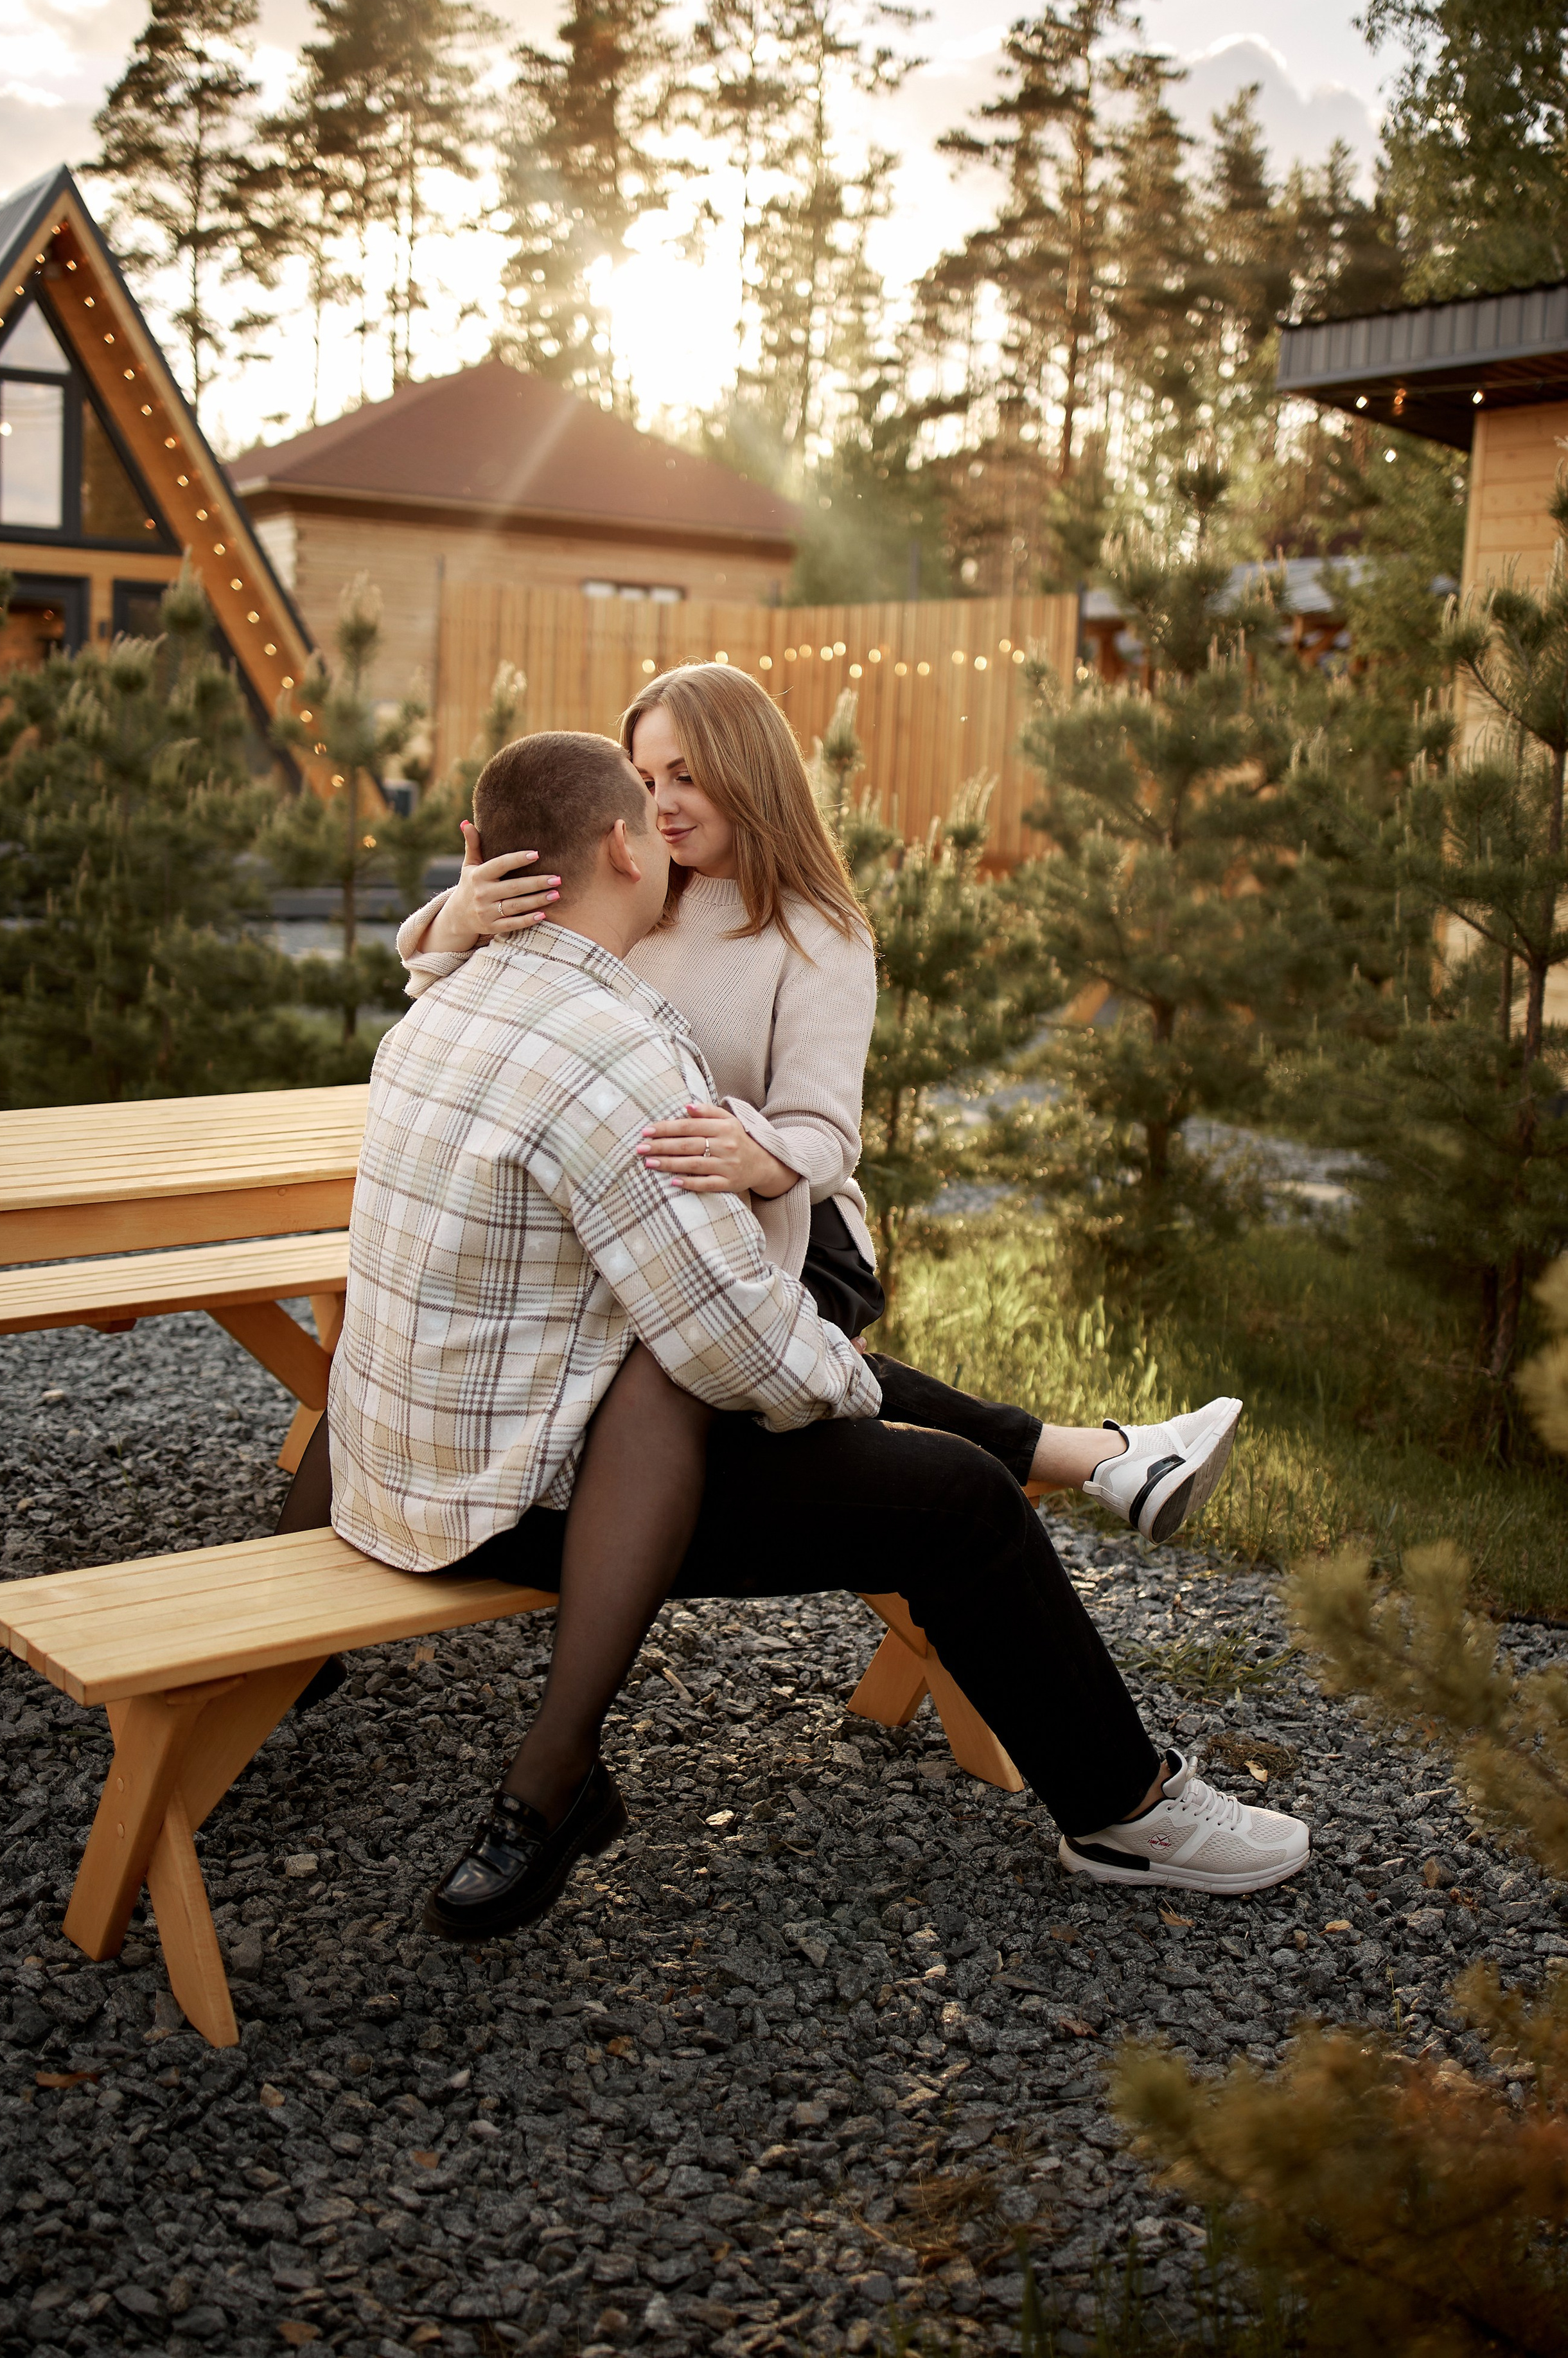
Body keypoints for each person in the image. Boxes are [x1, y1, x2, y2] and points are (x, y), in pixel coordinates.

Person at [311, 725, 1308, 1943]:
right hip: (515, 1507)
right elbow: (739, 1346)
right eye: (651, 791)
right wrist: (856, 1400)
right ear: (623, 845)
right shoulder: (612, 1054)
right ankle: (1128, 1812)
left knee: (703, 1377)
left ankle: (1095, 1465)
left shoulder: (438, 1016)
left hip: (389, 1480)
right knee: (953, 1498)